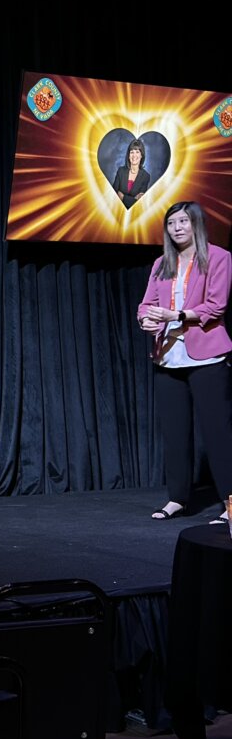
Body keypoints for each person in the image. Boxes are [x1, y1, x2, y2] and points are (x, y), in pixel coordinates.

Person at [138, 201, 232, 523]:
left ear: (196, 225)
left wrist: (176, 315)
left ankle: (229, 502)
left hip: (207, 357)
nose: (177, 228)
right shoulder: (161, 263)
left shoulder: (219, 258)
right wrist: (146, 321)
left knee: (218, 433)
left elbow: (215, 307)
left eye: (183, 222)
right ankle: (178, 498)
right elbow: (146, 304)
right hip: (167, 358)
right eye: (171, 223)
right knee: (175, 434)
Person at [113, 139, 151, 209]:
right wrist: (133, 199)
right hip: (116, 210)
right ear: (128, 155)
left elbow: (139, 204)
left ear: (141, 155)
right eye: (132, 152)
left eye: (137, 152)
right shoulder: (121, 171)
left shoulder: (146, 176)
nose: (134, 155)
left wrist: (123, 197)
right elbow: (113, 196)